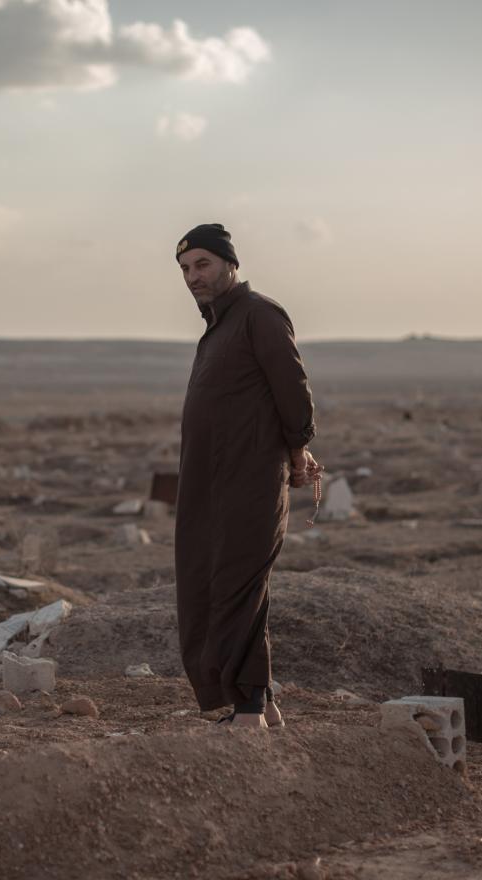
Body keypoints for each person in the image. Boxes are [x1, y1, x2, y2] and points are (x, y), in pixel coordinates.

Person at [173, 223, 322, 730]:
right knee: (219, 585)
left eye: (203, 264)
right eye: (186, 269)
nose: (194, 276)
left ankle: (251, 709)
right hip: (212, 487)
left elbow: (293, 390)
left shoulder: (259, 315)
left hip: (250, 483)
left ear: (230, 265)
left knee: (237, 585)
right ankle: (263, 702)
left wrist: (298, 450)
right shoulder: (218, 327)